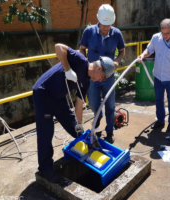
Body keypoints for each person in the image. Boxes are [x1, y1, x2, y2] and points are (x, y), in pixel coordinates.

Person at [33, 43, 115, 183]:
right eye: (102, 77)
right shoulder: (80, 60)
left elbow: (79, 103)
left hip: (58, 96)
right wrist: (67, 69)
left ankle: (84, 150)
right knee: (46, 131)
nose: (101, 80)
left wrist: (79, 123)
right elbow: (58, 47)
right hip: (44, 93)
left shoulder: (87, 82)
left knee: (75, 128)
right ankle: (45, 169)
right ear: (99, 68)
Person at [79, 4, 125, 144]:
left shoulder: (116, 33)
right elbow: (82, 49)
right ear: (98, 20)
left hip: (109, 76)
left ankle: (109, 131)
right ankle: (98, 114)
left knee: (110, 105)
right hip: (93, 76)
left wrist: (116, 61)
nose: (106, 28)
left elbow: (122, 51)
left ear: (113, 22)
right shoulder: (89, 32)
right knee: (93, 103)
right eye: (104, 24)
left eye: (109, 24)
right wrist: (86, 65)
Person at [138, 18, 170, 136]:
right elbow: (149, 50)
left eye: (167, 33)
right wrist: (142, 55)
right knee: (158, 100)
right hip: (158, 76)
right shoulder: (156, 38)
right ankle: (160, 121)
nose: (165, 35)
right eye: (163, 33)